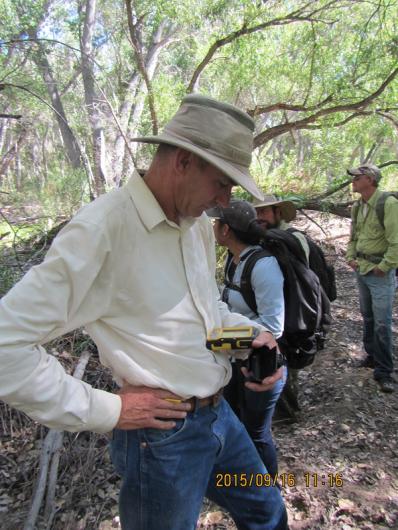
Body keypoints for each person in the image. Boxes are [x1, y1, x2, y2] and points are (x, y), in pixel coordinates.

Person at [0, 95, 289, 530]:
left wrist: (251, 339)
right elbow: (5, 344)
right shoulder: (102, 231)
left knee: (266, 512)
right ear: (183, 162)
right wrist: (106, 410)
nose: (224, 200)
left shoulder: (194, 229)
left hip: (220, 419)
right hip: (163, 439)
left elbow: (204, 320)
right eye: (222, 183)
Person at [207, 199, 286, 478]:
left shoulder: (263, 265)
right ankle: (246, 482)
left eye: (216, 223)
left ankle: (271, 490)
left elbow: (274, 327)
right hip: (237, 361)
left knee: (256, 432)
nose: (213, 227)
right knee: (238, 424)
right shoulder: (234, 259)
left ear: (226, 230)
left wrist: (220, 337)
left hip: (263, 366)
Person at [253, 195, 308, 418]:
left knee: (288, 360)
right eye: (257, 213)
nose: (260, 218)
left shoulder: (295, 239)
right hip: (274, 307)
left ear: (278, 212)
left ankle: (290, 412)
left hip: (293, 309)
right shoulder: (264, 238)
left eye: (264, 212)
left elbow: (303, 278)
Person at [346, 163, 398, 394]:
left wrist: (385, 266)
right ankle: (371, 356)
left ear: (370, 179)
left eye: (357, 177)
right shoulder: (358, 206)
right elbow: (353, 236)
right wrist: (350, 257)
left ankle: (385, 371)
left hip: (379, 273)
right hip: (362, 269)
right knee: (367, 317)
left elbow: (396, 241)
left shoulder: (388, 204)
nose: (354, 181)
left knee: (382, 322)